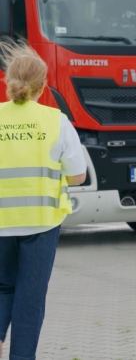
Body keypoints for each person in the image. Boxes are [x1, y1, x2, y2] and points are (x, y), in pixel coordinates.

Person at [0, 43, 87, 360]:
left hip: (0, 224)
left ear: (8, 81)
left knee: (3, 287)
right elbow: (78, 177)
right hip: (41, 221)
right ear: (44, 86)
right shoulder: (56, 121)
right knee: (30, 296)